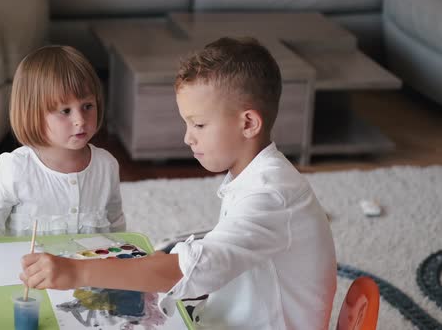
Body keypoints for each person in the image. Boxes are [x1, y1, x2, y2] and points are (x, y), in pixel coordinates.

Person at [19, 37, 336, 329]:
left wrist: (76, 271)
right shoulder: (257, 179)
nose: (188, 137)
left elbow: (195, 268)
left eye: (198, 124)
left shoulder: (270, 194)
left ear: (249, 123)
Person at [0, 45, 126, 238]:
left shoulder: (106, 165)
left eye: (87, 106)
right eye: (65, 111)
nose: (80, 120)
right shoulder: (15, 168)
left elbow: (117, 228)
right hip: (27, 268)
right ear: (32, 114)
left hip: (88, 268)